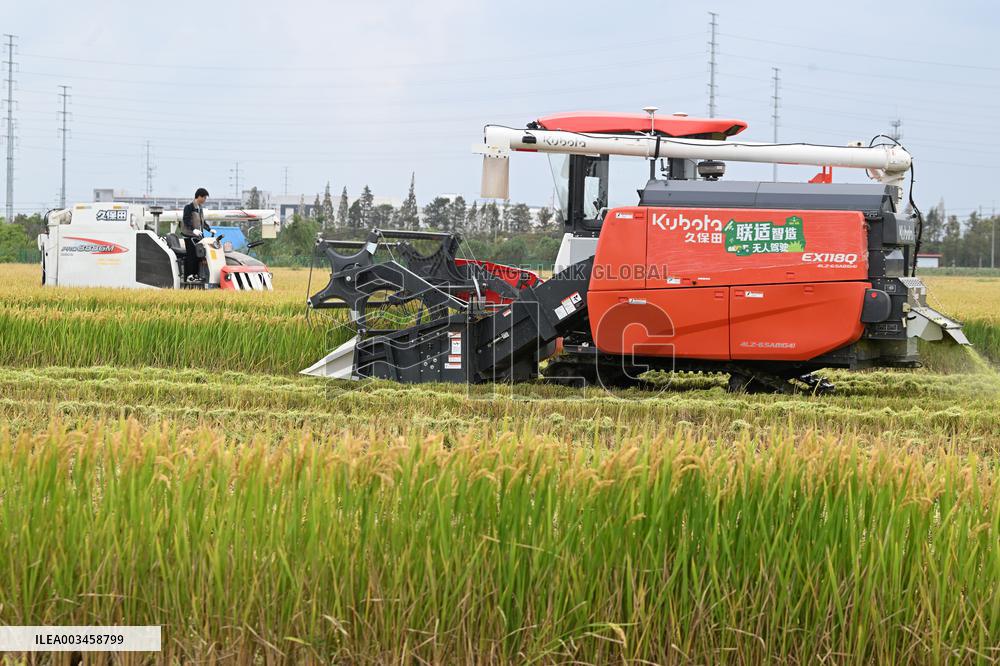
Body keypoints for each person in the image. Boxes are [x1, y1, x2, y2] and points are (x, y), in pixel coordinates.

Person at [180, 188, 212, 281]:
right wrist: (193, 230)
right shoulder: (189, 207)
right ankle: (189, 276)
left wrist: (209, 229)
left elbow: (202, 222)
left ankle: (195, 275)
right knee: (191, 256)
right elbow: (186, 220)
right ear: (199, 196)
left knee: (198, 256)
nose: (205, 200)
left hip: (198, 236)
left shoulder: (200, 208)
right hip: (189, 236)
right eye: (204, 198)